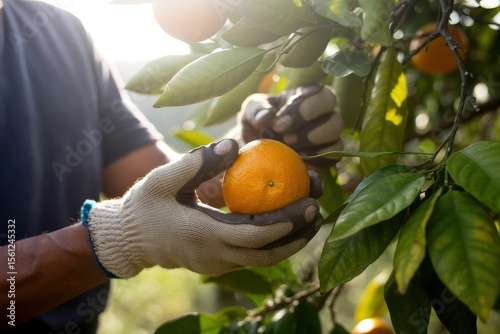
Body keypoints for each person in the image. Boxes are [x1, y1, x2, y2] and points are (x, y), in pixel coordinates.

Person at [0, 0, 343, 332]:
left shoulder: (62, 35)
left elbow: (154, 187)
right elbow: (137, 223)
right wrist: (118, 239)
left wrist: (244, 155)